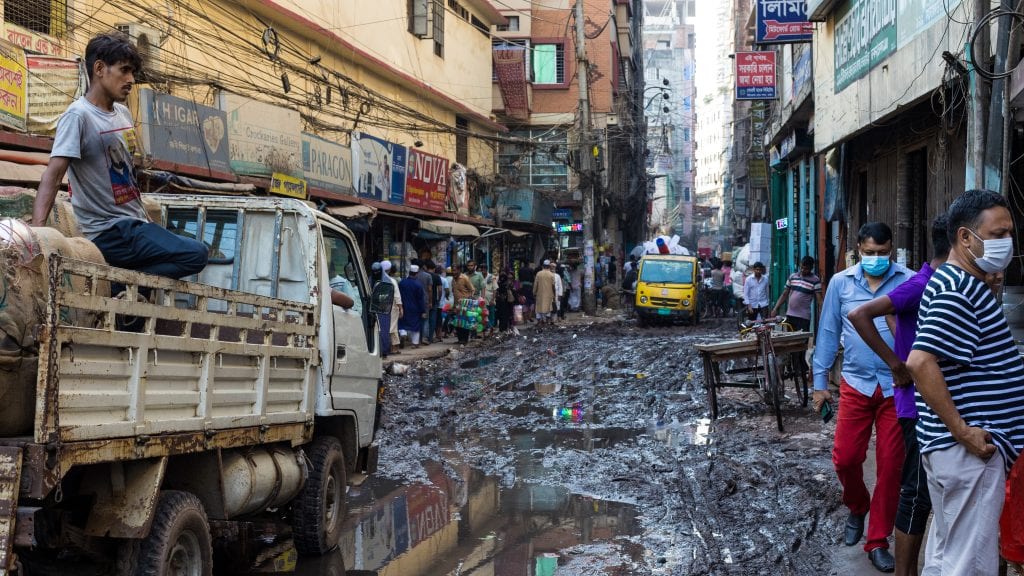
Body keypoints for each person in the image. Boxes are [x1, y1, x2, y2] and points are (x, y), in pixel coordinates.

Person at [906, 190, 1024, 575]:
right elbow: (920, 362)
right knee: (969, 565)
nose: (1006, 242)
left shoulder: (962, 282)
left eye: (1009, 233)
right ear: (965, 238)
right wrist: (962, 431)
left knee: (947, 557)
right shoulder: (957, 290)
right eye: (998, 233)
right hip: (968, 451)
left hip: (956, 453)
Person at [34, 32, 207, 281]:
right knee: (196, 254)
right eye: (124, 70)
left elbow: (128, 177)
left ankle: (123, 284)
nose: (131, 80)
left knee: (189, 254)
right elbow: (53, 174)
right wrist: (38, 234)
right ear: (100, 68)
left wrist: (146, 219)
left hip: (134, 226)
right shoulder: (78, 115)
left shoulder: (123, 114)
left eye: (133, 72)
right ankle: (121, 285)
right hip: (109, 232)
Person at [847, 215, 950, 576]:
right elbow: (860, 315)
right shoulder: (921, 285)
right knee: (914, 491)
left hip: (931, 402)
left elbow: (897, 318)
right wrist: (896, 363)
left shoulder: (927, 284)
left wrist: (903, 338)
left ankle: (880, 542)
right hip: (909, 401)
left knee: (908, 481)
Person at [812, 222, 911, 572]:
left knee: (890, 467)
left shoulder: (909, 279)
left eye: (882, 253)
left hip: (896, 388)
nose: (876, 259)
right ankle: (857, 506)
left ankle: (878, 540)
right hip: (855, 382)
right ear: (858, 249)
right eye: (869, 253)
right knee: (845, 458)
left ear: (891, 249)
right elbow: (828, 332)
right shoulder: (841, 282)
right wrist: (820, 382)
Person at [772, 256, 822, 332]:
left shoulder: (815, 280)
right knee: (790, 339)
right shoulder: (793, 276)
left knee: (802, 341)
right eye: (801, 267)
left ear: (811, 268)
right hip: (790, 315)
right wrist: (775, 308)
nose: (802, 270)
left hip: (803, 317)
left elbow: (819, 300)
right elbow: (784, 294)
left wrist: (822, 314)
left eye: (806, 269)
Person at [398, 265, 427, 347]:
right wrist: (423, 310)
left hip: (403, 306)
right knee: (415, 325)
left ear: (409, 272)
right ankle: (415, 343)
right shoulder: (418, 285)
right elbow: (420, 299)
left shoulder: (402, 282)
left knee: (402, 322)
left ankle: (403, 333)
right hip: (415, 308)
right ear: (416, 273)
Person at [381, 260, 403, 353]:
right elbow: (397, 296)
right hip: (392, 307)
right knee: (392, 328)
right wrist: (401, 308)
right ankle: (394, 348)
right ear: (389, 270)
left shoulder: (377, 279)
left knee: (385, 327)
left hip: (381, 307)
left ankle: (390, 348)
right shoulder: (392, 281)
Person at [451, 265, 475, 345]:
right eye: (452, 270)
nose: (453, 272)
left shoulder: (464, 278)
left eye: (455, 270)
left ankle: (465, 340)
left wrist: (469, 299)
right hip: (456, 304)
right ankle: (460, 339)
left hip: (465, 303)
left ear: (459, 270)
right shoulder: (453, 280)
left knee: (465, 323)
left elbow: (472, 289)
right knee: (458, 323)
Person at [414, 260, 433, 344]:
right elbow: (430, 290)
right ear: (423, 266)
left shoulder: (414, 276)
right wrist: (430, 301)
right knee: (425, 320)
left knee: (417, 319)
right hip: (425, 300)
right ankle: (424, 338)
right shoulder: (428, 275)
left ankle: (416, 339)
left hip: (415, 301)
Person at [424, 261, 443, 344]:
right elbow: (440, 289)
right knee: (432, 320)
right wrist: (439, 299)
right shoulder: (436, 276)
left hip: (424, 301)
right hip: (434, 301)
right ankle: (430, 338)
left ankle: (424, 337)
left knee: (425, 320)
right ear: (434, 268)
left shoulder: (424, 276)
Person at [533, 259, 557, 324]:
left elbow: (535, 284)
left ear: (543, 266)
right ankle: (546, 321)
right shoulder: (551, 275)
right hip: (549, 294)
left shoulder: (539, 274)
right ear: (549, 266)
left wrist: (534, 292)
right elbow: (553, 286)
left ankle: (539, 321)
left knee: (538, 308)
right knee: (548, 307)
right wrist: (554, 294)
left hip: (539, 294)